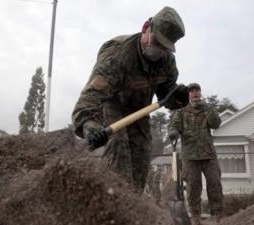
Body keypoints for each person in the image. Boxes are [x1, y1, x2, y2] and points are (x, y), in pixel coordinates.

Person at [72, 6, 188, 192]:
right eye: (157, 41)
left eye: (164, 46)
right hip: (112, 107)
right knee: (119, 149)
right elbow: (92, 95)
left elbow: (166, 93)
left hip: (140, 112)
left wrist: (177, 98)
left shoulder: (167, 61)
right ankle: (115, 206)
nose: (159, 49)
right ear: (145, 27)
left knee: (141, 159)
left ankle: (134, 209)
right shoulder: (117, 55)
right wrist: (90, 125)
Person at [168, 83, 224, 225]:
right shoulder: (181, 111)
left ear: (200, 92)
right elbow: (174, 125)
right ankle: (195, 216)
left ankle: (216, 215)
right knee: (193, 187)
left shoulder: (208, 107)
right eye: (192, 91)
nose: (195, 93)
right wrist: (174, 131)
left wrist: (206, 108)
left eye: (197, 90)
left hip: (208, 154)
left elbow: (216, 124)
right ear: (189, 94)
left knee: (215, 184)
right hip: (190, 156)